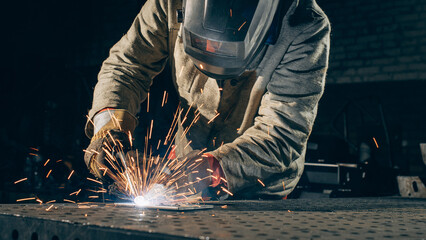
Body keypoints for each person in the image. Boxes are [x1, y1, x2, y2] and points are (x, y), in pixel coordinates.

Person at [84, 0, 330, 199]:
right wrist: (108, 130)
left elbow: (281, 134)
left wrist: (206, 169)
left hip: (259, 190)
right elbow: (126, 67)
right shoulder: (168, 3)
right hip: (178, 181)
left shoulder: (304, 25)